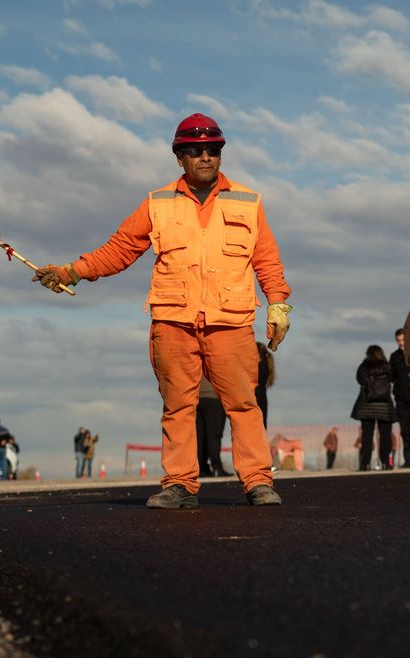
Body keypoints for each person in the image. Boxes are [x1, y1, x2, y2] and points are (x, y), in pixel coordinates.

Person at [32, 113, 291, 508]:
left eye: (213, 149)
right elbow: (120, 249)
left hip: (230, 322)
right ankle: (180, 485)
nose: (205, 156)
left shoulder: (248, 201)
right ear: (179, 157)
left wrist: (278, 303)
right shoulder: (158, 203)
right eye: (195, 150)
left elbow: (267, 259)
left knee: (243, 405)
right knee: (178, 406)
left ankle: (258, 482)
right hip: (173, 322)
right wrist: (72, 271)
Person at [351, 346, 395, 471]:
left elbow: (360, 379)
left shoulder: (364, 366)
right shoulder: (387, 366)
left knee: (367, 436)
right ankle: (386, 463)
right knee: (385, 436)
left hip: (367, 406)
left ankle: (365, 464)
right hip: (384, 406)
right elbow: (393, 378)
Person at [388, 328, 410, 468]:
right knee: (406, 431)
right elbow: (391, 376)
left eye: (403, 340)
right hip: (402, 398)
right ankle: (409, 460)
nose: (401, 343)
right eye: (398, 340)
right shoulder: (394, 357)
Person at [196, 376, 229, 477]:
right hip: (213, 396)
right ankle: (217, 467)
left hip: (197, 397)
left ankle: (200, 467)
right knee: (214, 434)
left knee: (199, 436)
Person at [255, 341, 276, 429]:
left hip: (258, 399)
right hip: (260, 398)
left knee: (259, 426)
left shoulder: (261, 367)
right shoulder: (263, 366)